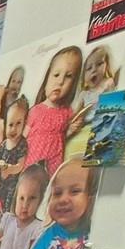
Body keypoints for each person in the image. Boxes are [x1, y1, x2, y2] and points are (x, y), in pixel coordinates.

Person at [24, 157, 97, 249]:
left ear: (91, 197)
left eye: (75, 191)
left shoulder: (94, 235)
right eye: (57, 193)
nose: (63, 199)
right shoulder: (48, 237)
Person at [22, 46, 84, 178]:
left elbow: (61, 137)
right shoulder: (35, 111)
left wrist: (71, 130)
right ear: (47, 79)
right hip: (31, 167)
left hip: (52, 168)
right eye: (56, 75)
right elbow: (23, 139)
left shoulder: (67, 112)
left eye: (68, 77)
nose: (60, 81)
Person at [68, 45, 121, 159]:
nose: (94, 70)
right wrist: (74, 124)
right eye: (89, 68)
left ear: (106, 65)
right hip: (87, 127)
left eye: (99, 64)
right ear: (84, 76)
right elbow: (77, 114)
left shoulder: (108, 83)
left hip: (104, 123)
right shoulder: (84, 94)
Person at [0, 100, 29, 208]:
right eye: (11, 125)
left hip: (12, 185)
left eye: (18, 123)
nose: (14, 129)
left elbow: (20, 166)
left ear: (24, 123)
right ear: (5, 126)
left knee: (8, 204)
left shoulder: (22, 144)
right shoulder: (3, 144)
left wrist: (9, 169)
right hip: (0, 181)